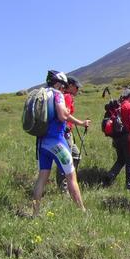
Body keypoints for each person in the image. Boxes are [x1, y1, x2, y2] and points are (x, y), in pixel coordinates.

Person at [32, 71, 89, 214]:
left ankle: (35, 213)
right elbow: (63, 115)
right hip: (57, 141)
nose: (63, 89)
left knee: (42, 178)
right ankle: (82, 212)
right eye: (63, 85)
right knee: (71, 176)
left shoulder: (42, 94)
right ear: (58, 83)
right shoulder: (57, 95)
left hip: (41, 143)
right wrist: (81, 123)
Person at [55, 77, 83, 190]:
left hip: (66, 133)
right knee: (66, 160)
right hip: (65, 134)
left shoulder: (65, 96)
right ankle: (64, 187)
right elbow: (65, 115)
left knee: (76, 156)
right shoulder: (66, 96)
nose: (78, 89)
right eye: (76, 87)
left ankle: (69, 182)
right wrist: (81, 123)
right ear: (70, 86)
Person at [107, 89, 130, 190]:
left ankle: (110, 176)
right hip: (127, 137)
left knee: (121, 159)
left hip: (116, 137)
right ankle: (129, 186)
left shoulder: (118, 106)